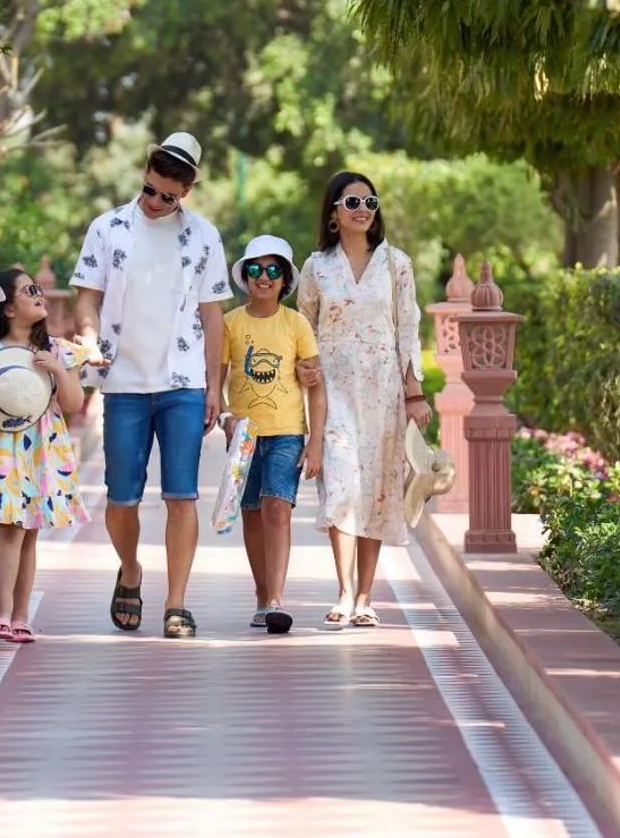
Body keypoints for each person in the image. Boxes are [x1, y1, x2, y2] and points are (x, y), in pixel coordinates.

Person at [70, 131, 233, 639]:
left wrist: (214, 389)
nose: (156, 202)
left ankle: (177, 602)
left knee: (182, 495)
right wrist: (89, 337)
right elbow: (85, 298)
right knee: (121, 498)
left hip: (183, 383)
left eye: (169, 196)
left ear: (186, 193)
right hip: (122, 381)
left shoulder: (204, 235)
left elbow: (214, 319)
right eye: (150, 190)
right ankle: (132, 570)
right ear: (144, 176)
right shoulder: (108, 228)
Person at [295, 171, 431, 627]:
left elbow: (408, 328)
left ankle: (367, 597)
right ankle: (344, 591)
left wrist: (415, 393)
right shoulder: (315, 267)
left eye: (369, 203)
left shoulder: (397, 264)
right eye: (352, 203)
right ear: (334, 213)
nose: (362, 211)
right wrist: (304, 375)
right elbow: (304, 328)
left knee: (375, 489)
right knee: (341, 485)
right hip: (332, 393)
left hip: (383, 391)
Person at [0, 267, 90, 643]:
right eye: (29, 290)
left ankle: (20, 614)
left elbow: (74, 404)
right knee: (10, 529)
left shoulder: (57, 351)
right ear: (9, 309)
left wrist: (59, 372)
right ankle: (1, 613)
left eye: (37, 288)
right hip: (1, 451)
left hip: (41, 451)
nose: (39, 294)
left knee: (28, 533)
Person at [219, 235, 326, 635]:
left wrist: (314, 442)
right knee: (252, 513)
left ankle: (279, 599)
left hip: (287, 434)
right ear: (244, 277)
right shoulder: (230, 323)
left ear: (285, 279)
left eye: (272, 270)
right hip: (244, 437)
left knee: (277, 508)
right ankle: (263, 598)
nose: (263, 277)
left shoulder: (296, 323)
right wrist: (225, 417)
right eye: (254, 269)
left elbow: (316, 384)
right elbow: (218, 380)